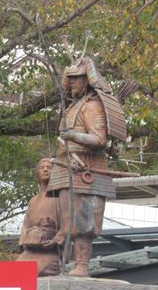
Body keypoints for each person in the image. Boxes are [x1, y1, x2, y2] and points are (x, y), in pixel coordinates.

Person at [44, 57, 118, 277]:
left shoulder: (92, 106)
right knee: (65, 221)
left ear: (87, 80)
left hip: (86, 169)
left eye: (77, 78)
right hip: (66, 167)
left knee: (82, 222)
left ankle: (82, 265)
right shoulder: (72, 106)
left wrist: (73, 135)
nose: (72, 82)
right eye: (70, 79)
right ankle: (64, 265)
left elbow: (99, 139)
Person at [16, 158, 60, 276]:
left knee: (35, 271)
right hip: (30, 249)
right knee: (15, 272)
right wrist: (24, 241)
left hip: (50, 251)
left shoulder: (61, 198)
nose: (45, 170)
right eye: (42, 168)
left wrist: (55, 240)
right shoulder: (33, 201)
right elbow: (26, 225)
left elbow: (67, 226)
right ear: (37, 173)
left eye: (49, 168)